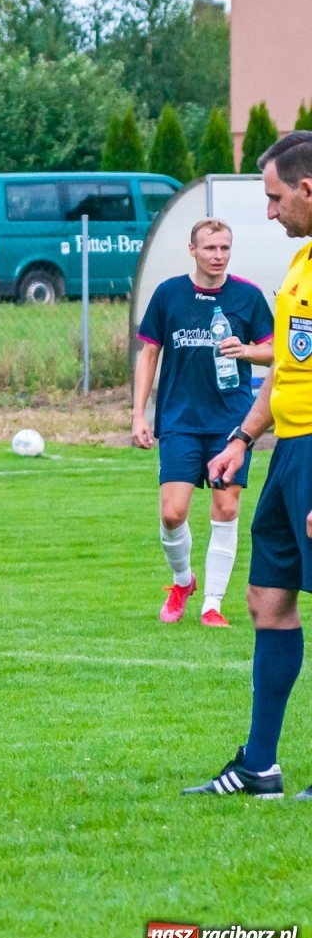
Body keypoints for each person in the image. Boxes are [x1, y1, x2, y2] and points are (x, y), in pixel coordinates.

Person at [190, 131, 312, 799]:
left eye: (274, 197)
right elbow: (291, 368)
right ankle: (260, 765)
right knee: (268, 600)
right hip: (289, 451)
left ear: (308, 188)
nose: (269, 212)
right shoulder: (304, 264)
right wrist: (243, 436)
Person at [132, 218, 272, 627]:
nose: (218, 256)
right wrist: (140, 413)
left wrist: (246, 351)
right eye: (210, 248)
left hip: (230, 423)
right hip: (178, 419)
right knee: (173, 513)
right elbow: (149, 355)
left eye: (225, 248)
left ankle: (212, 604)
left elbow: (276, 352)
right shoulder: (169, 294)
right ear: (192, 250)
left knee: (226, 508)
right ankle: (183, 581)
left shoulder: (247, 297)